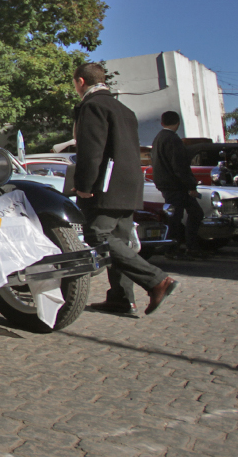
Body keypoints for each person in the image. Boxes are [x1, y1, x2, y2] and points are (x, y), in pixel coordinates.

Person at [73, 62, 178, 317]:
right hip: (129, 184)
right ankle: (121, 298)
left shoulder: (92, 106)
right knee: (120, 240)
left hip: (105, 185)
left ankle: (156, 280)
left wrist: (84, 186)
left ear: (81, 82)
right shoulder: (124, 109)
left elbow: (91, 150)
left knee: (97, 235)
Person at [151, 110, 203, 259]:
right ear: (178, 123)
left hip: (165, 183)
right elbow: (179, 166)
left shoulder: (158, 138)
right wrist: (191, 186)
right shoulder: (173, 140)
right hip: (176, 185)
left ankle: (177, 246)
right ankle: (183, 247)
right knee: (192, 214)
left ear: (162, 123)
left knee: (175, 216)